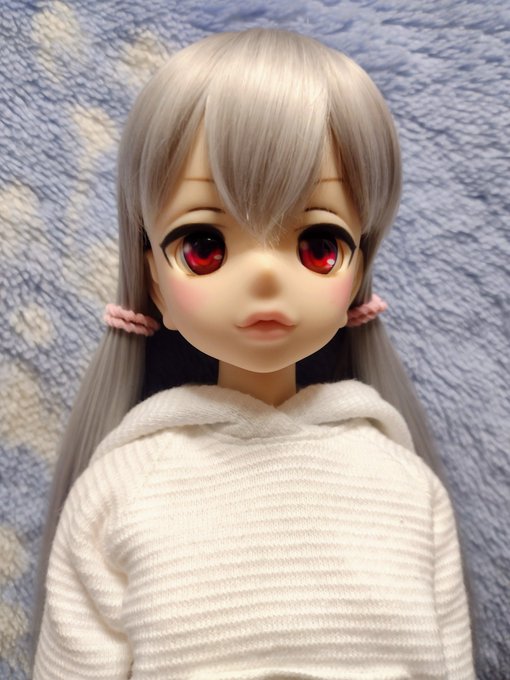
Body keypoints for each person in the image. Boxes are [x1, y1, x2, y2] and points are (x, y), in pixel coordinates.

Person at [32, 28, 474, 679]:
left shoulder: (406, 488)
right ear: (154, 279)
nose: (265, 276)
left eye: (318, 246)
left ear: (358, 270)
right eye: (204, 247)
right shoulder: (119, 492)